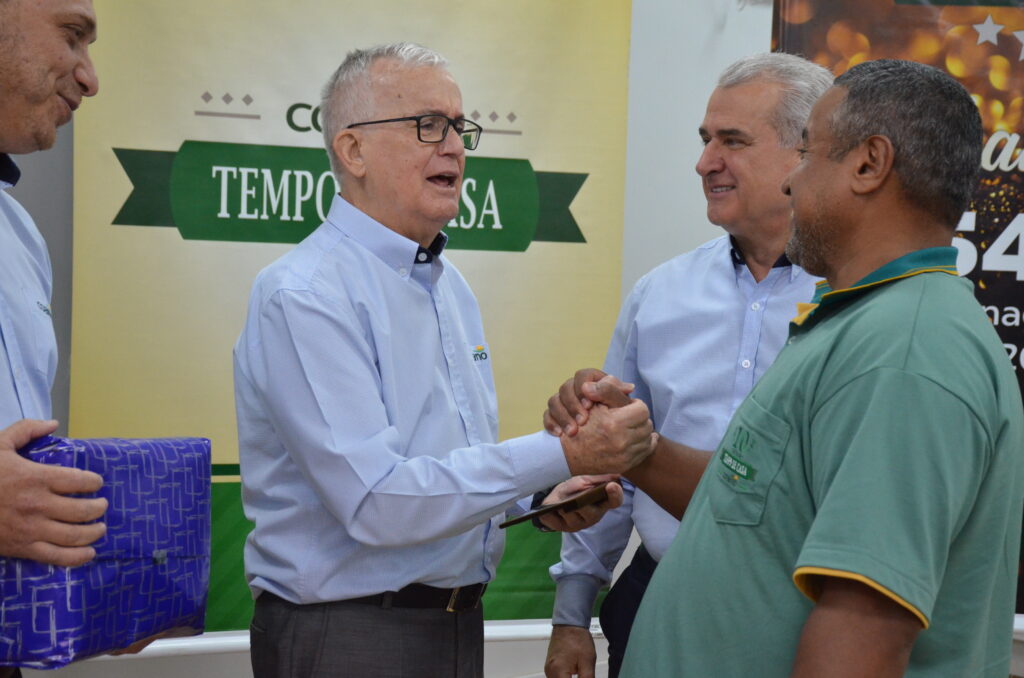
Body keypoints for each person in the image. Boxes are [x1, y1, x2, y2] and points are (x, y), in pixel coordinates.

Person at [554, 59, 1023, 677]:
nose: (793, 183)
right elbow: (757, 504)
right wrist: (631, 446)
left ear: (867, 164)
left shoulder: (905, 353)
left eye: (807, 156)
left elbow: (862, 634)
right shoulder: (861, 323)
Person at [233, 42, 656, 678]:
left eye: (460, 128)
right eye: (428, 125)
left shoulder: (447, 284)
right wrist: (564, 453)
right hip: (348, 635)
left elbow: (433, 469)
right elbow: (377, 501)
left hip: (456, 624)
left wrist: (541, 498)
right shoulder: (304, 294)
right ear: (352, 152)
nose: (455, 147)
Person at [542, 53, 831, 678]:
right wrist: (571, 617)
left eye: (732, 141)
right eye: (705, 141)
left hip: (803, 610)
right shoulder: (660, 294)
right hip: (656, 594)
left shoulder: (856, 301)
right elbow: (610, 463)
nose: (705, 163)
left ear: (806, 152)